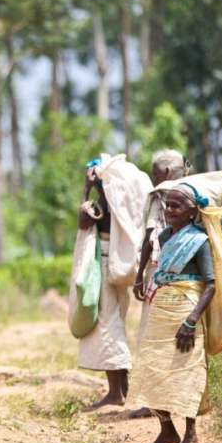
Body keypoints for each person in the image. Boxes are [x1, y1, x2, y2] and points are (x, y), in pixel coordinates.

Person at [126, 182, 216, 443]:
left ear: (192, 212)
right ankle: (166, 430)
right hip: (162, 306)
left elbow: (211, 284)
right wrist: (141, 277)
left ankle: (191, 435)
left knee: (185, 370)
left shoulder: (199, 241)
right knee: (152, 367)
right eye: (168, 204)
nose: (169, 209)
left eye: (177, 205)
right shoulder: (165, 237)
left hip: (186, 310)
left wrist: (191, 320)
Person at [69, 154, 151, 411]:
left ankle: (115, 393)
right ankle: (122, 390)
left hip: (104, 265)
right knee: (113, 320)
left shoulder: (103, 204)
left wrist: (86, 188)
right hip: (120, 265)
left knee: (107, 324)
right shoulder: (122, 205)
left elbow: (84, 218)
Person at [129, 150, 190, 418]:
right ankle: (178, 399)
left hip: (160, 272)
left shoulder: (160, 196)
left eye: (154, 174)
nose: (154, 179)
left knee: (151, 335)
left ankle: (153, 401)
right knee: (179, 336)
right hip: (189, 276)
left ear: (164, 173)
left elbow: (150, 236)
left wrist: (139, 274)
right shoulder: (192, 193)